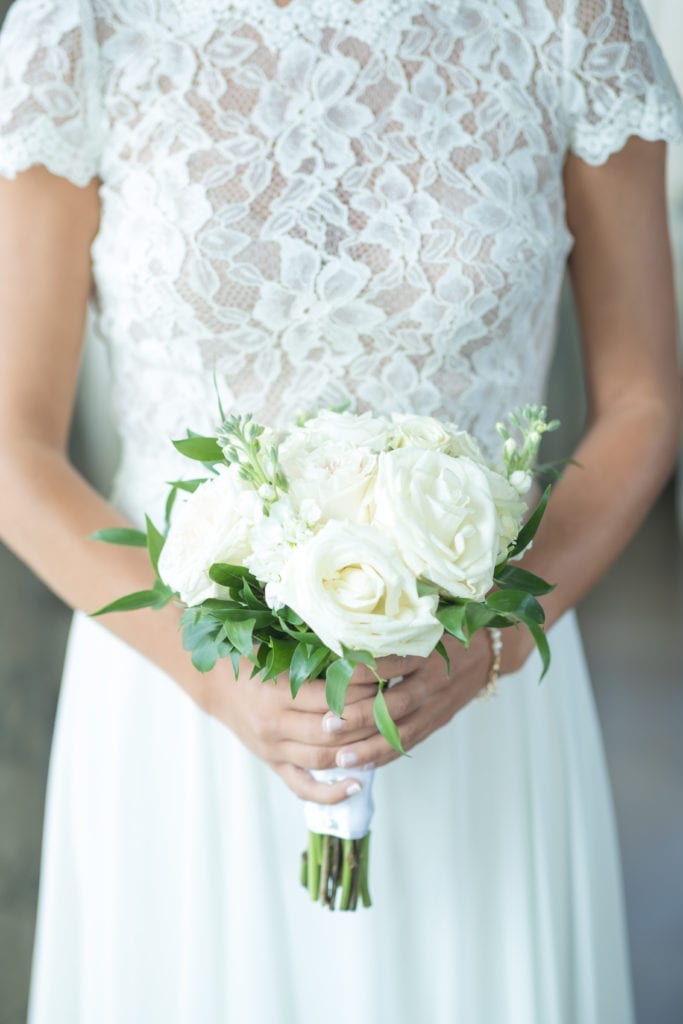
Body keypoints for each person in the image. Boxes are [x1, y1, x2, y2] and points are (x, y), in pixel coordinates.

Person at [0, 0, 681, 1020]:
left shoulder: (566, 17)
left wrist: (486, 647)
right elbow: (14, 446)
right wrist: (213, 676)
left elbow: (642, 398)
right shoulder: (84, 27)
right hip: (184, 702)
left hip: (476, 691)